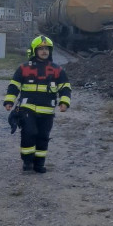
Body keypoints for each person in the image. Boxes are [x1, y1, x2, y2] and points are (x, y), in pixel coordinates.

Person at [4, 35, 71, 173]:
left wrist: (64, 102)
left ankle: (39, 163)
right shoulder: (24, 68)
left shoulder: (57, 70)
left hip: (47, 111)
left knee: (43, 137)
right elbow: (14, 86)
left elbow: (65, 87)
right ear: (34, 51)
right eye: (40, 49)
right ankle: (27, 161)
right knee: (29, 133)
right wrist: (9, 101)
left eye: (47, 49)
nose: (44, 51)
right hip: (27, 109)